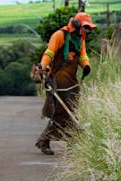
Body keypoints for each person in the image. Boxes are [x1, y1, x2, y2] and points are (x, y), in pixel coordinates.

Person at [31, 12, 96, 155]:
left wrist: (86, 65)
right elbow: (49, 53)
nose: (87, 30)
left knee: (71, 111)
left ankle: (46, 140)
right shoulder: (59, 35)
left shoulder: (81, 39)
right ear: (77, 24)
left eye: (89, 28)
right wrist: (42, 67)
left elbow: (83, 55)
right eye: (86, 27)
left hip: (72, 81)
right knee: (62, 112)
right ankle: (69, 142)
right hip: (57, 79)